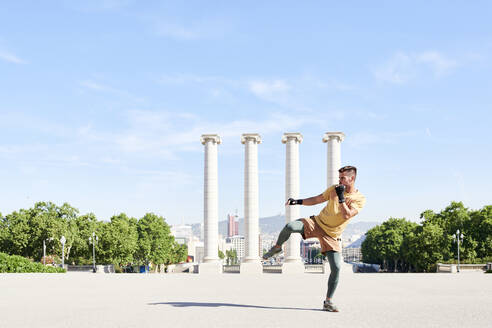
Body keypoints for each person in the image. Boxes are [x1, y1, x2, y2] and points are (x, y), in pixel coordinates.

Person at [263, 165, 366, 312]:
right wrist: (297, 201)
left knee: (336, 268)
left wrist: (341, 197)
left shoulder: (359, 198)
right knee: (291, 226)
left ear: (352, 178)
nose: (340, 181)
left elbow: (347, 215)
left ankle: (328, 302)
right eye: (339, 178)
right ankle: (277, 248)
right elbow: (317, 199)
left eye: (343, 178)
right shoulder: (334, 188)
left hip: (332, 235)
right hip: (317, 223)